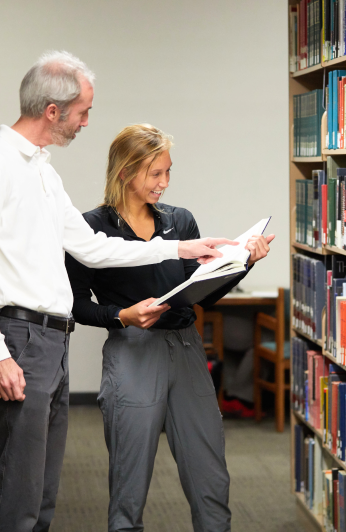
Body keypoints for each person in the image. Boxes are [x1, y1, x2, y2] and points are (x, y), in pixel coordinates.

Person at [0, 51, 236, 532]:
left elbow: (93, 249)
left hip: (50, 340)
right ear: (52, 111)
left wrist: (182, 247)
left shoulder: (42, 171)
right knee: (19, 492)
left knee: (42, 492)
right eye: (83, 111)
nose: (87, 122)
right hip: (20, 339)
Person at [66, 124, 274, 532]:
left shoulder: (180, 221)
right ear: (125, 172)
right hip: (132, 352)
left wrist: (243, 263)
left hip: (187, 349)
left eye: (168, 172)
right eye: (155, 173)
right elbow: (74, 305)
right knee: (129, 484)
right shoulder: (90, 228)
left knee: (210, 475)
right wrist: (121, 316)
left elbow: (202, 295)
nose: (164, 183)